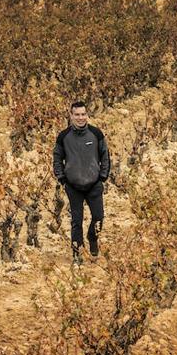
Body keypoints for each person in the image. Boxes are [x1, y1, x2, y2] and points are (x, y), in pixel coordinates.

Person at [53, 100, 111, 261]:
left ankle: (92, 238)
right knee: (76, 222)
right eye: (77, 114)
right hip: (73, 186)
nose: (80, 118)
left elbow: (105, 156)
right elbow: (57, 158)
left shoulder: (96, 134)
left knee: (99, 217)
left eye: (83, 114)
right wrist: (62, 179)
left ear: (87, 115)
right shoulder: (64, 136)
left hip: (94, 185)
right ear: (71, 115)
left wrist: (102, 177)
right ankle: (77, 253)